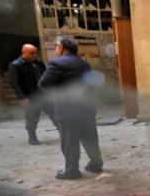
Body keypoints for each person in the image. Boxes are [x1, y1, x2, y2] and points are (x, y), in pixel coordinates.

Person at [38, 35, 103, 180]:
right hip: (86, 107)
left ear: (60, 48)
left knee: (69, 141)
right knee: (90, 137)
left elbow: (43, 84)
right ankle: (96, 163)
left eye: (56, 46)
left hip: (67, 109)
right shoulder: (83, 63)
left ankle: (72, 170)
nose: (56, 48)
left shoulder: (56, 63)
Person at [8, 44, 55, 145]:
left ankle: (65, 133)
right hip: (30, 96)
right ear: (24, 52)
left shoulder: (38, 63)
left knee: (55, 113)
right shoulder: (16, 65)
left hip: (43, 94)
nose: (34, 55)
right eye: (31, 53)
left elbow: (45, 76)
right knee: (32, 118)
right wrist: (22, 97)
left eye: (35, 53)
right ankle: (32, 137)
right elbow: (14, 82)